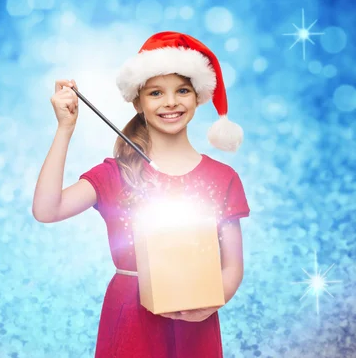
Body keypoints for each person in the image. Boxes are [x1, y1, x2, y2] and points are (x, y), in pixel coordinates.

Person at [32, 31, 250, 358]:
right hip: (130, 317)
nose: (171, 102)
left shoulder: (223, 177)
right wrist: (65, 129)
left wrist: (212, 302)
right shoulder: (115, 173)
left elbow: (232, 265)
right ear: (138, 101)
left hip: (197, 317)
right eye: (156, 92)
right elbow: (47, 210)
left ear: (198, 97)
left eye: (182, 90)